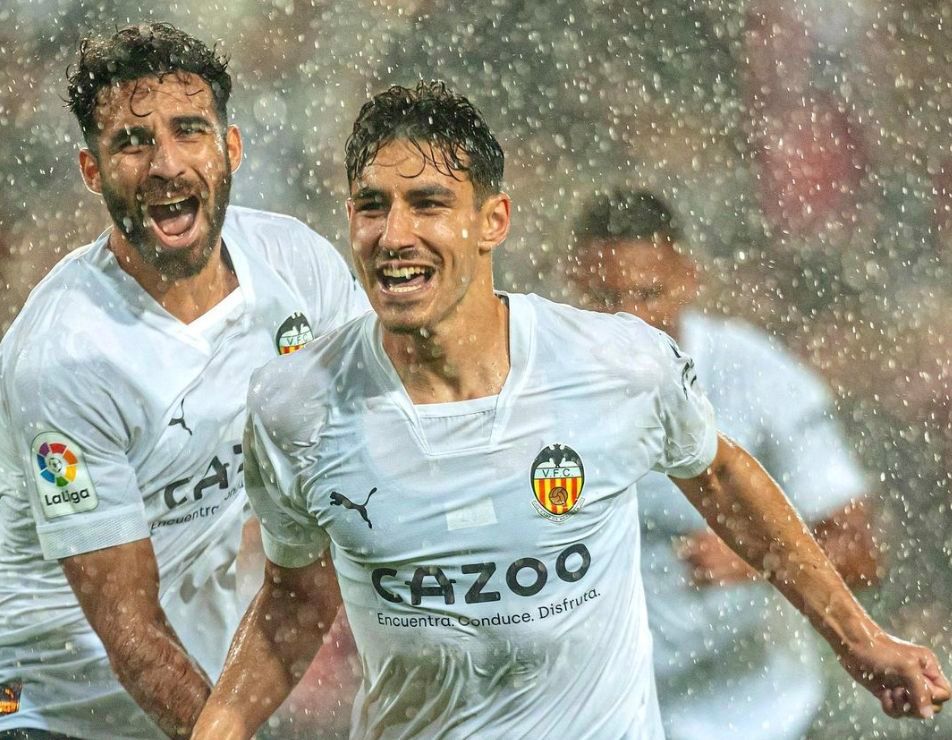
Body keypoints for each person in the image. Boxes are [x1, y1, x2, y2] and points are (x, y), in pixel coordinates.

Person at [192, 80, 950, 740]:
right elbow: (293, 603)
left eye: (428, 203)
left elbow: (719, 476)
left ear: (493, 221)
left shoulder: (616, 364)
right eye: (371, 206)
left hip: (733, 713)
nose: (394, 236)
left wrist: (861, 641)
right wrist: (217, 730)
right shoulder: (294, 403)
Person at [0, 23, 368, 740]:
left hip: (196, 693)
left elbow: (383, 445)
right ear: (91, 170)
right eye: (133, 142)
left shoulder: (300, 268)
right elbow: (130, 634)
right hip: (49, 709)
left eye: (189, 130)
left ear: (229, 148)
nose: (166, 164)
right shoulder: (66, 356)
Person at [569, 189, 879, 739]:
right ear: (571, 285)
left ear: (689, 278)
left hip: (762, 714)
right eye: (605, 298)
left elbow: (859, 554)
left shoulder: (754, 372)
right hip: (610, 716)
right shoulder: (544, 388)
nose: (630, 320)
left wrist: (759, 557)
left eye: (648, 294)